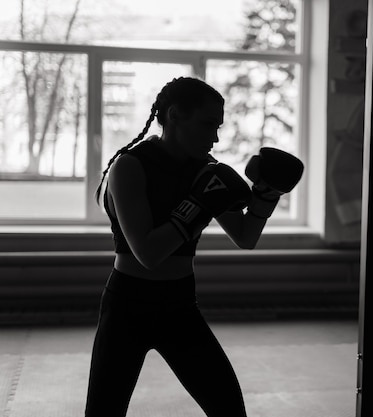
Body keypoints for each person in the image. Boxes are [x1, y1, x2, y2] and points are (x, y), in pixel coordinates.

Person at [85, 76, 303, 417]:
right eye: (207, 125)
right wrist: (197, 204)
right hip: (128, 306)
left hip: (179, 305)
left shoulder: (207, 172)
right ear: (174, 115)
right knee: (103, 413)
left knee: (229, 409)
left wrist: (265, 196)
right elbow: (148, 253)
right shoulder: (128, 166)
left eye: (218, 126)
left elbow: (246, 237)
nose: (214, 136)